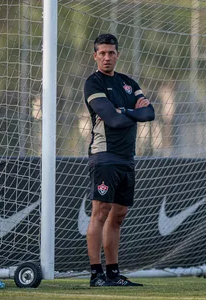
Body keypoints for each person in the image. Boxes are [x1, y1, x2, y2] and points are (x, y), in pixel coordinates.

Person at [83, 33, 155, 287]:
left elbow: (150, 113)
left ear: (117, 55)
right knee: (100, 212)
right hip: (104, 156)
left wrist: (123, 111)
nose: (106, 57)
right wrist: (132, 112)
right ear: (95, 56)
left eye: (111, 52)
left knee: (120, 214)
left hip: (127, 158)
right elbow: (111, 120)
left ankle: (113, 273)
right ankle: (96, 274)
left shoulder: (128, 82)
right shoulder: (93, 84)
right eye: (102, 53)